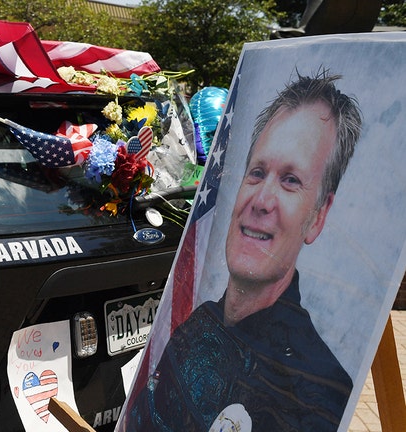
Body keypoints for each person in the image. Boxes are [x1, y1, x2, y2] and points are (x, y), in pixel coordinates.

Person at [127, 70, 363, 432]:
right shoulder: (197, 323)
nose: (261, 201)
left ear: (318, 216)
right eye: (257, 172)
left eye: (290, 180)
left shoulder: (316, 391)